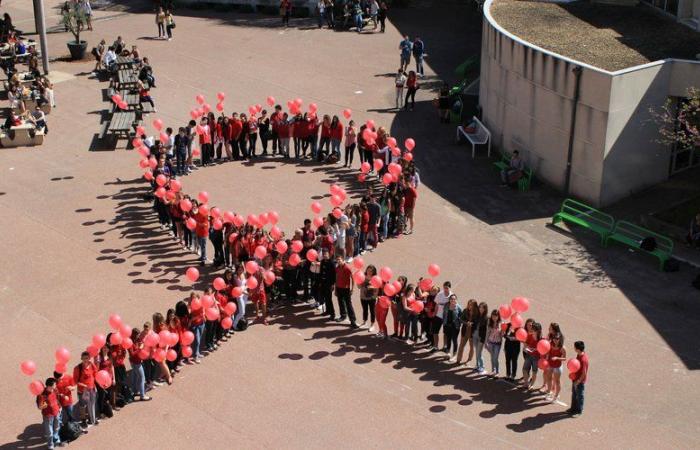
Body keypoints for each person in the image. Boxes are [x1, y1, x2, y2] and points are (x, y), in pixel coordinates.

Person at [36, 378, 63, 449]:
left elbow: (57, 399)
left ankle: (56, 440)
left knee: (57, 427)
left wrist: (60, 407)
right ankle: (50, 444)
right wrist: (44, 405)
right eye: (55, 384)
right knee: (49, 432)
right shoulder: (41, 395)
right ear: (49, 386)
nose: (56, 385)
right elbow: (39, 407)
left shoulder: (55, 390)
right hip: (48, 416)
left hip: (56, 412)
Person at [73, 351, 98, 427]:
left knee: (91, 404)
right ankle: (83, 420)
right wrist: (84, 385)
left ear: (89, 358)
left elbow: (95, 375)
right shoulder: (78, 368)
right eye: (84, 358)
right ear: (81, 358)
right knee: (83, 406)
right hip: (82, 391)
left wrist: (96, 385)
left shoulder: (92, 365)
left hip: (92, 389)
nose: (85, 360)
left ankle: (92, 418)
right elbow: (75, 381)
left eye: (87, 358)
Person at [334, 251, 358, 328]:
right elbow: (336, 278)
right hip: (339, 288)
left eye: (339, 259)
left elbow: (353, 278)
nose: (338, 261)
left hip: (346, 289)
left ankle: (353, 320)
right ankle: (343, 315)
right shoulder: (337, 268)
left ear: (343, 259)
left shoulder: (347, 268)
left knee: (348, 304)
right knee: (340, 302)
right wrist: (335, 289)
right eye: (337, 260)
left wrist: (352, 289)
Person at [568, 341, 588, 417]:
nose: (574, 348)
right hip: (575, 379)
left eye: (575, 347)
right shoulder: (579, 355)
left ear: (578, 349)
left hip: (579, 381)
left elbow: (584, 373)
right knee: (574, 394)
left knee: (580, 396)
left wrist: (578, 381)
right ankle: (573, 408)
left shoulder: (583, 359)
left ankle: (579, 410)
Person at [359, 264, 378, 330]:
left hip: (372, 298)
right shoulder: (362, 277)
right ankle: (364, 322)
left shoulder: (375, 278)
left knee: (372, 311)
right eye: (368, 270)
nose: (369, 272)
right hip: (363, 297)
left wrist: (372, 287)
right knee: (365, 310)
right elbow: (359, 287)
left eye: (371, 271)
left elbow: (377, 288)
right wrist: (358, 282)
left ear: (373, 272)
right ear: (366, 270)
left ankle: (372, 325)